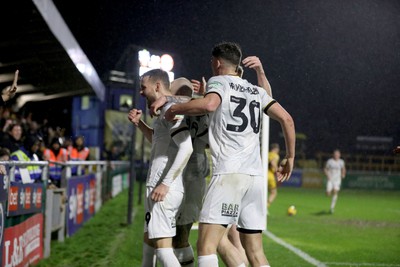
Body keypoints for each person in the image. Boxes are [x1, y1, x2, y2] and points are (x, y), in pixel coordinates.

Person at [151, 42, 296, 267]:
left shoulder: (219, 81)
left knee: (207, 246)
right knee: (256, 252)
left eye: (212, 62)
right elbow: (287, 119)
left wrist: (174, 108)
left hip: (229, 173)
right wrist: (291, 158)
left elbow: (209, 105)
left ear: (217, 63)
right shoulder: (256, 91)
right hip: (255, 178)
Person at [128, 69, 193, 267]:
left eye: (143, 87)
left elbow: (186, 147)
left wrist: (164, 184)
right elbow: (158, 141)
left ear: (157, 86)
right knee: (151, 240)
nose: (140, 92)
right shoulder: (162, 111)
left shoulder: (169, 109)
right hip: (162, 187)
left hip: (164, 189)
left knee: (164, 250)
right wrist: (140, 125)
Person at [324, 149, 346, 214]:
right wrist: (327, 175)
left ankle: (332, 208)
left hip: (337, 180)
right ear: (333, 155)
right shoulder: (330, 161)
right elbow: (325, 169)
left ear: (339, 155)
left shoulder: (341, 162)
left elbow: (343, 169)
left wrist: (343, 174)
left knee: (335, 191)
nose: (336, 155)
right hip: (330, 179)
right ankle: (328, 192)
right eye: (335, 154)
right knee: (328, 194)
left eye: (337, 154)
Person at [267, 143, 280, 208]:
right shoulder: (275, 155)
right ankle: (266, 207)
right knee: (273, 193)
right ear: (275, 149)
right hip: (269, 175)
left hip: (261, 174)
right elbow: (273, 163)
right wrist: (277, 171)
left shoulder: (266, 154)